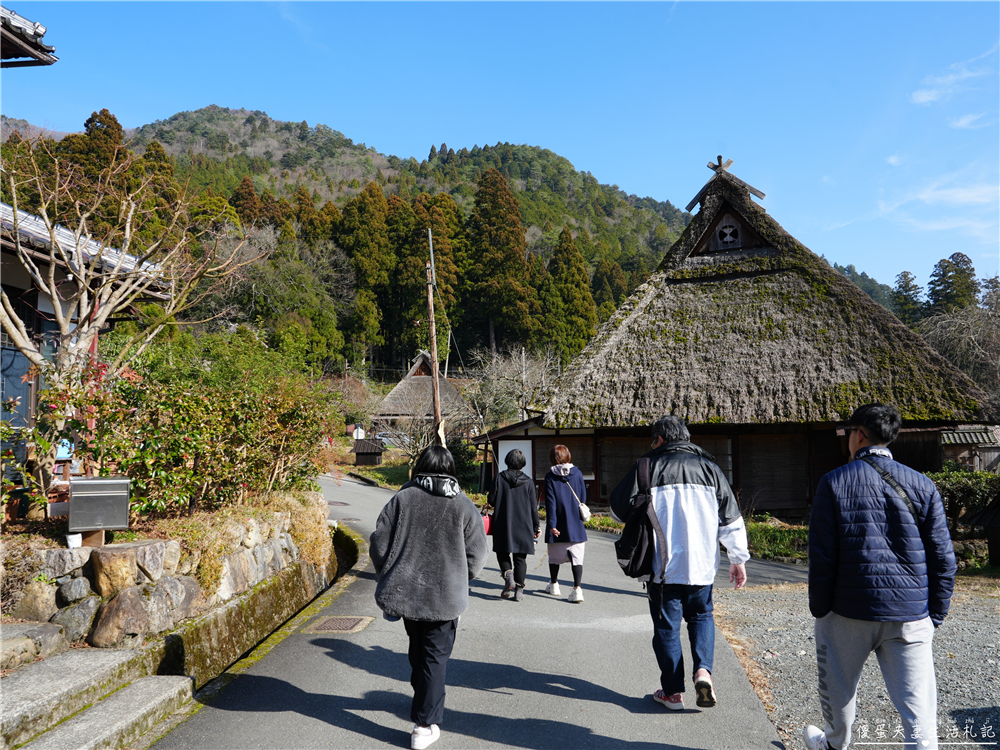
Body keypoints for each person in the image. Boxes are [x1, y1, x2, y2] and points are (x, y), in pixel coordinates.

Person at [802, 404, 956, 750]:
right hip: (911, 614)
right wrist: (935, 614)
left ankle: (834, 745)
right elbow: (944, 559)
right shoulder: (923, 485)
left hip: (848, 609)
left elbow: (822, 557)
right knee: (919, 714)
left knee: (839, 694)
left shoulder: (834, 482)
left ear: (858, 435)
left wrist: (820, 609)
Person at [609, 415, 749, 712]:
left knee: (667, 629)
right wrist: (738, 559)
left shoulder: (646, 467)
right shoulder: (711, 468)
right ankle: (703, 672)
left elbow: (617, 511)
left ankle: (673, 693)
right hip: (702, 567)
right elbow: (732, 519)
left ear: (659, 440)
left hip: (663, 568)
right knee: (701, 616)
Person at [370, 445, 489, 750]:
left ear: (420, 466)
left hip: (408, 594)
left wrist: (388, 572)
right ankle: (424, 726)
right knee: (434, 659)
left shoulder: (402, 499)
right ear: (450, 470)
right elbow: (477, 555)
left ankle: (424, 704)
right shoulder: (463, 505)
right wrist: (463, 577)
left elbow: (380, 544)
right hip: (446, 597)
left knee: (418, 653)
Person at [488, 449, 541, 602]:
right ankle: (519, 590)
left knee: (502, 551)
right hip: (524, 524)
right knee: (520, 558)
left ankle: (508, 575)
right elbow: (533, 507)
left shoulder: (499, 478)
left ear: (507, 461)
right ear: (522, 463)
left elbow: (491, 500)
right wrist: (536, 526)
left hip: (503, 522)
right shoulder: (529, 481)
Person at [542, 444, 588, 603]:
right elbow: (582, 497)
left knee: (554, 558)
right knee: (577, 559)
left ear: (553, 458)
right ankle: (577, 589)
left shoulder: (550, 476)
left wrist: (553, 524)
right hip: (576, 523)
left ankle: (554, 584)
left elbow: (551, 502)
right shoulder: (578, 473)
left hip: (558, 524)